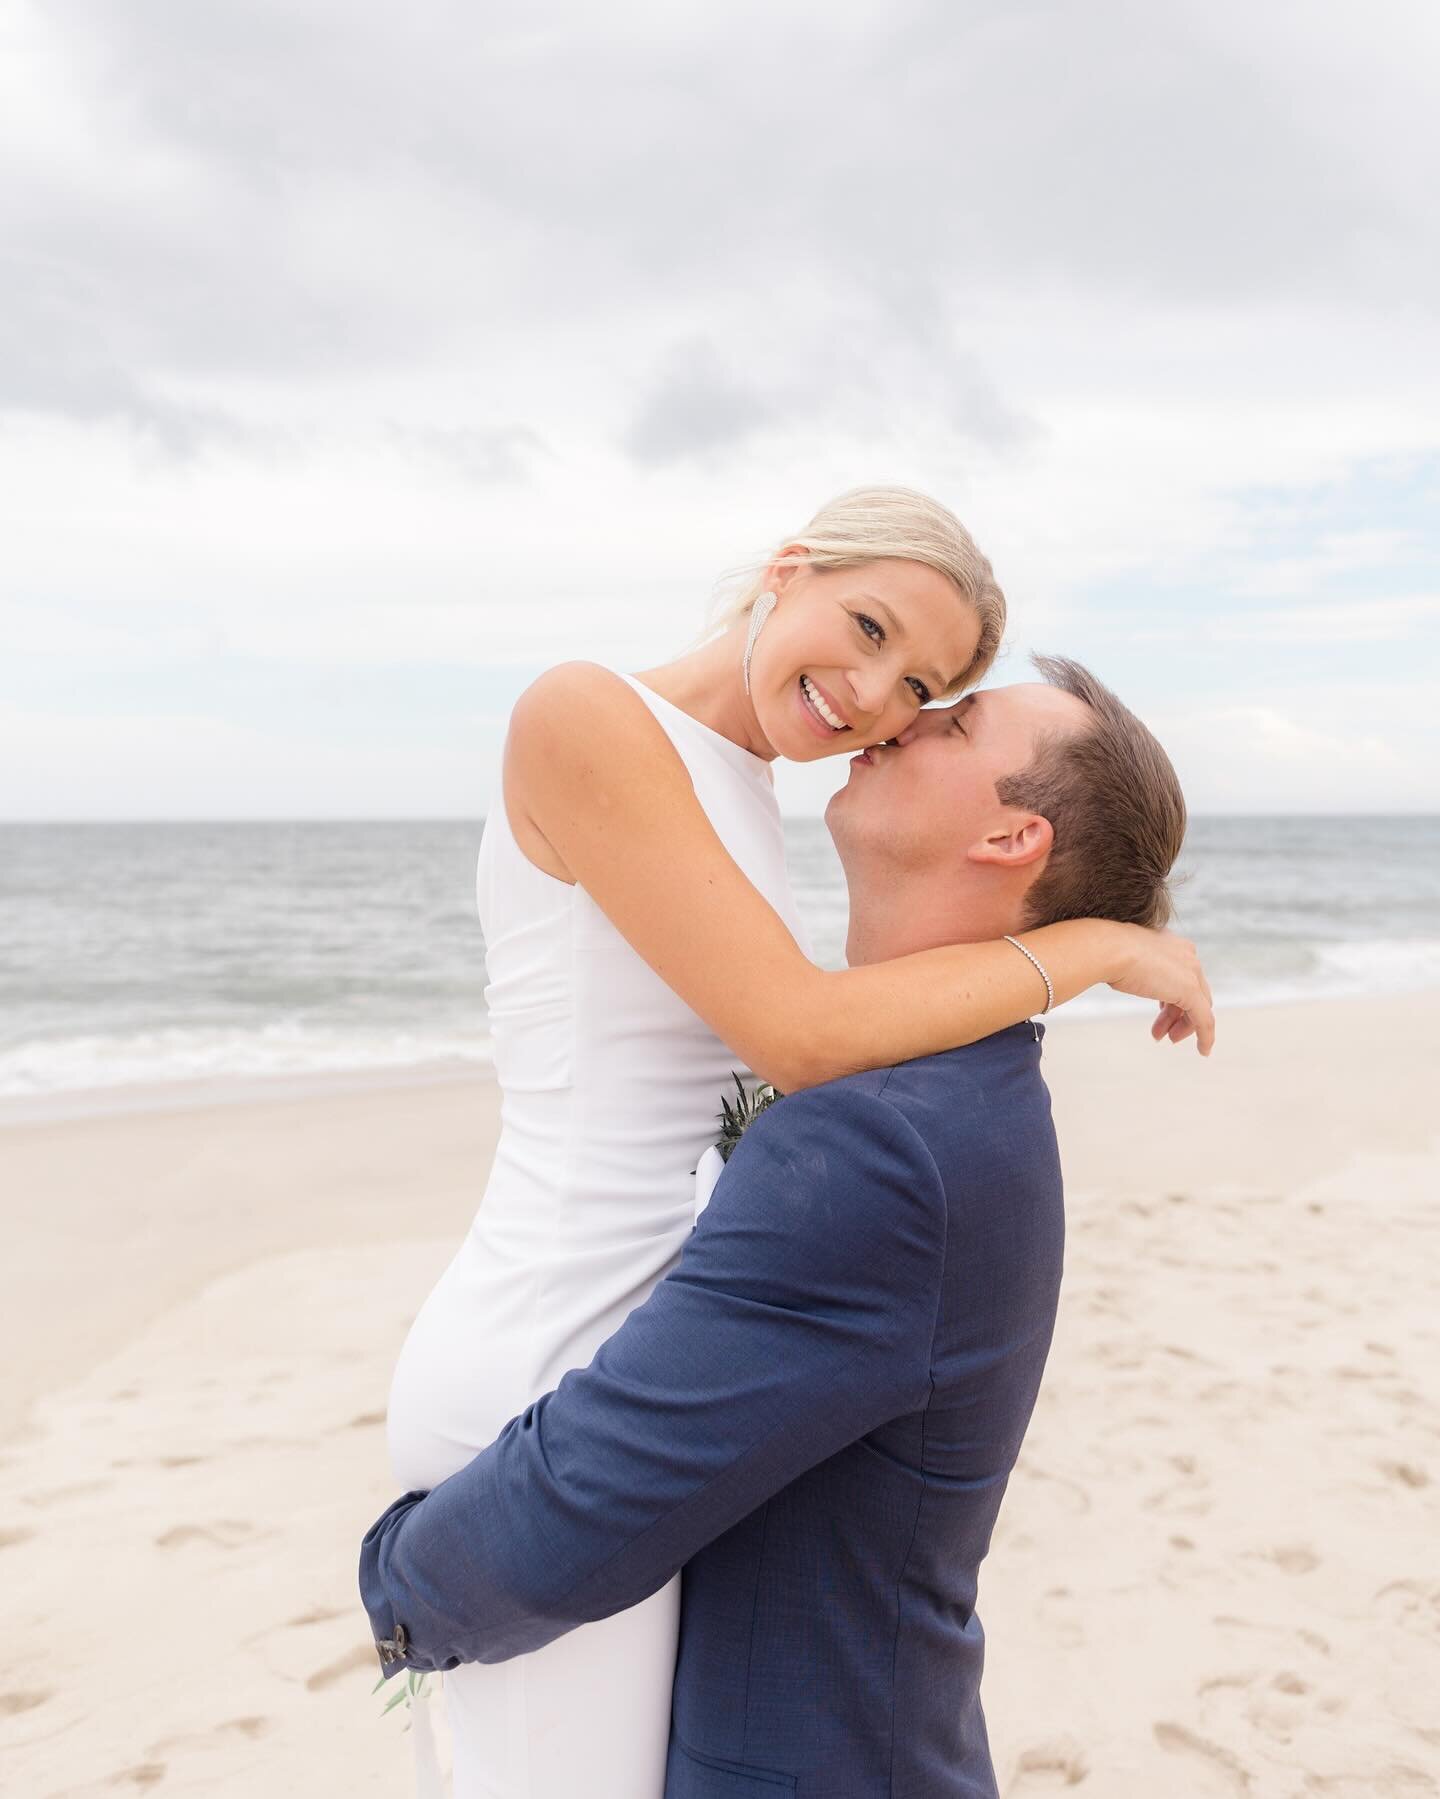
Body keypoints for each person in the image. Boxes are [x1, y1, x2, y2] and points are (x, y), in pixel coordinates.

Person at [380, 486, 1212, 1798]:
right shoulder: (590, 714)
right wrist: (1093, 944)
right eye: (870, 627)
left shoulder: (748, 786)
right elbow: (801, 1032)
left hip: (641, 1374)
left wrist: (1078, 943)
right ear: (788, 570)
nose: (878, 699)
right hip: (548, 1359)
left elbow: (814, 1039)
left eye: (930, 691)